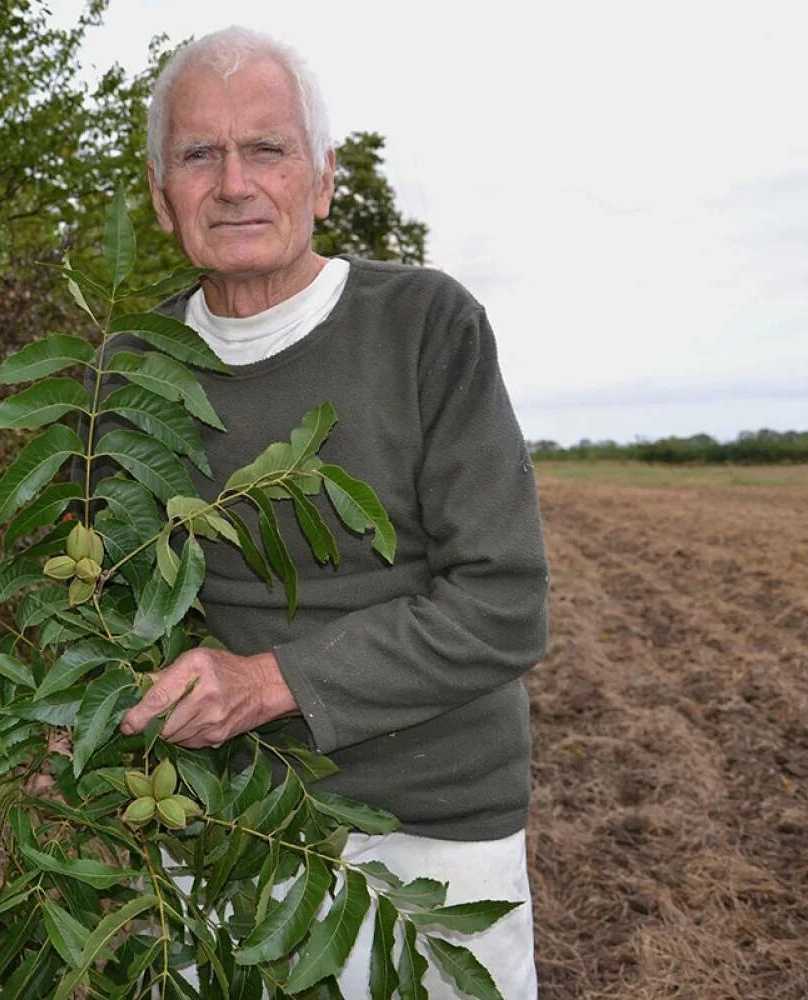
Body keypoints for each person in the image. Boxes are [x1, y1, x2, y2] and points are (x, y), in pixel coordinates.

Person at [115, 25, 550, 999]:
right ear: (159, 195)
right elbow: (112, 605)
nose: (233, 182)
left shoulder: (427, 326)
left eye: (266, 148)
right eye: (199, 154)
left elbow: (504, 607)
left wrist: (270, 680)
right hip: (222, 822)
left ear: (321, 180)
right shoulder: (126, 378)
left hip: (433, 827)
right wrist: (80, 712)